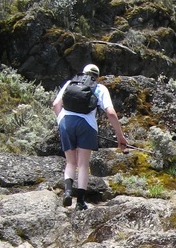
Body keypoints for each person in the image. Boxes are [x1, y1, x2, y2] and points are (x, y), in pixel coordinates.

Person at [53, 64, 128, 210]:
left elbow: (56, 104)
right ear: (97, 77)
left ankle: (68, 191)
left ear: (83, 73)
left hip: (66, 121)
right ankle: (80, 201)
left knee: (70, 162)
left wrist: (61, 121)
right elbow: (111, 112)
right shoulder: (100, 88)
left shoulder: (70, 83)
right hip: (87, 125)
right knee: (83, 164)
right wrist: (120, 136)